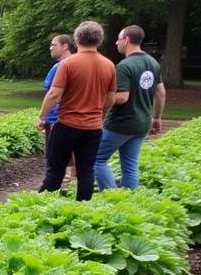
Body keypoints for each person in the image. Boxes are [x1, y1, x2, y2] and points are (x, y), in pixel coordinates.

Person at [37, 20, 116, 202]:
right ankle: (82, 208)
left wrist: (42, 117)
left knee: (55, 171)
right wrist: (99, 114)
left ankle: (39, 207)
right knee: (86, 172)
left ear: (77, 38)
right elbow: (110, 98)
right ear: (99, 40)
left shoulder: (68, 64)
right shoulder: (108, 65)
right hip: (93, 129)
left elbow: (54, 94)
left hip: (67, 125)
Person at [94, 25, 165, 192]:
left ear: (126, 40)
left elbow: (122, 97)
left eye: (119, 38)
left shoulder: (124, 66)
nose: (116, 42)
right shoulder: (152, 62)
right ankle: (129, 200)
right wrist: (157, 118)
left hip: (121, 123)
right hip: (142, 123)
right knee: (130, 165)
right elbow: (161, 92)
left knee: (96, 158)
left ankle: (112, 196)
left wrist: (98, 102)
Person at [42, 33, 77, 182]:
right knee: (73, 153)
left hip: (57, 119)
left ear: (65, 46)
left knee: (55, 156)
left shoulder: (61, 66)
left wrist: (43, 116)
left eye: (53, 44)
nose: (50, 48)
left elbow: (53, 94)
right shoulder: (76, 64)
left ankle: (56, 186)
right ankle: (72, 180)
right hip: (72, 118)